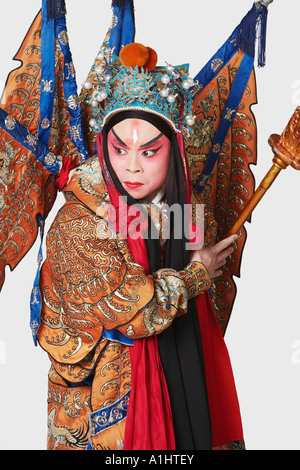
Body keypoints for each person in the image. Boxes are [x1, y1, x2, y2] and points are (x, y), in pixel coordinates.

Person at [37, 43, 244, 448]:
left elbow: (214, 301)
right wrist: (194, 275)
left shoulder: (189, 210)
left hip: (181, 379)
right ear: (103, 146)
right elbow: (137, 312)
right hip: (106, 404)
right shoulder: (79, 223)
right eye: (120, 148)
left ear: (175, 150)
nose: (132, 165)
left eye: (149, 151)